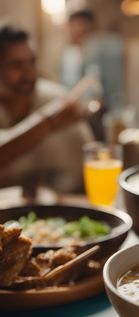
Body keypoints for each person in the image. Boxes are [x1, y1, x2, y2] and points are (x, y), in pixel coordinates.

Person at [0, 25, 93, 193]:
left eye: (32, 62)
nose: (29, 73)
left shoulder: (57, 99)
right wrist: (48, 122)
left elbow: (90, 164)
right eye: (17, 65)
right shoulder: (55, 112)